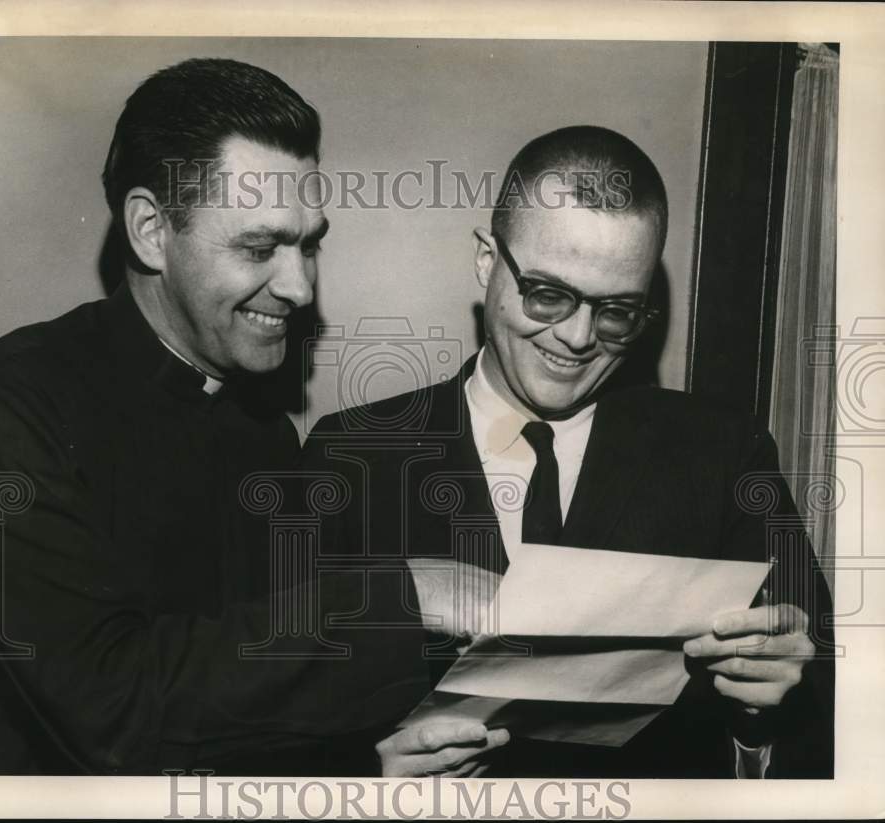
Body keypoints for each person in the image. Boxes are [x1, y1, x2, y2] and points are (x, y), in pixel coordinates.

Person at [0, 57, 504, 776]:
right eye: (259, 247)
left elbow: (240, 706)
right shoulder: (8, 400)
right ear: (148, 230)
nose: (298, 287)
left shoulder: (260, 430)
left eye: (309, 243)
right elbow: (114, 711)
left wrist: (365, 764)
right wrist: (404, 594)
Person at [301, 126, 835, 778]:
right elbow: (283, 722)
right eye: (548, 293)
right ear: (485, 261)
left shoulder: (725, 453)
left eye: (617, 310)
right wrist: (371, 776)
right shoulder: (350, 458)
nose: (580, 337)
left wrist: (764, 719)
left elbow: (835, 721)